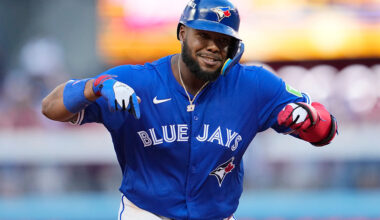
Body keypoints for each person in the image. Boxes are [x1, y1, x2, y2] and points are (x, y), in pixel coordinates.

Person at [41, 0, 338, 219]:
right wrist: (93, 86)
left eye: (223, 41)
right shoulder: (139, 81)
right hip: (146, 213)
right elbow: (50, 107)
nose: (213, 47)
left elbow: (327, 130)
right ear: (182, 33)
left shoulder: (253, 85)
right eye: (204, 36)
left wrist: (309, 119)